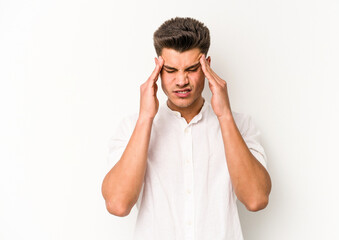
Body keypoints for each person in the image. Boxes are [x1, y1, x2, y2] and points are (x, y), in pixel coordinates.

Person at [101, 17, 272, 240]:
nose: (181, 81)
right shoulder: (132, 127)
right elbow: (117, 204)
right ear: (158, 69)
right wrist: (146, 118)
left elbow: (256, 199)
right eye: (171, 70)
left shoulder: (240, 125)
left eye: (191, 69)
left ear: (206, 65)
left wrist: (225, 116)